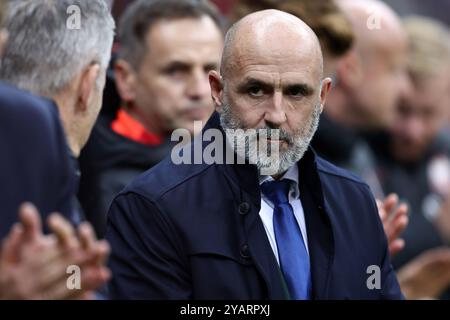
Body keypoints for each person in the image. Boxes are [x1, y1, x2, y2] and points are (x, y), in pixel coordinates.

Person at [106, 9, 403, 299]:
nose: (276, 115)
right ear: (218, 90)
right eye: (256, 90)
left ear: (322, 96)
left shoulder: (355, 200)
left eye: (296, 93)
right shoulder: (151, 207)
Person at [78, 0, 224, 237]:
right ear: (126, 79)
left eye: (210, 70)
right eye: (176, 71)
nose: (199, 90)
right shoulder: (104, 186)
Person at [368, 16, 450, 299]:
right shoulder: (356, 151)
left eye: (427, 113)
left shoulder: (445, 151)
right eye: (402, 109)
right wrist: (437, 228)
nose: (412, 130)